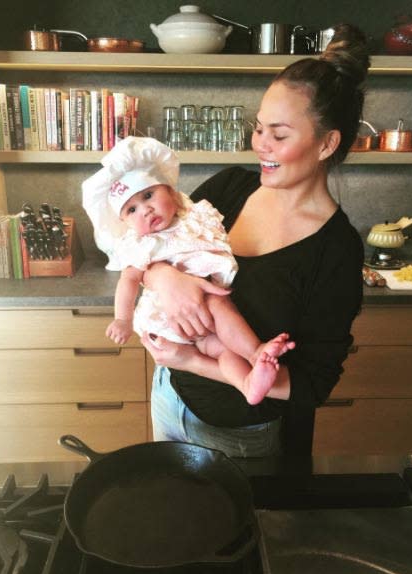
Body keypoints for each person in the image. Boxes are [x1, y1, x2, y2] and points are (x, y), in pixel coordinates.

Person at [138, 24, 369, 458]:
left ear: (327, 144)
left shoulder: (335, 250)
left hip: (240, 436)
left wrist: (194, 362)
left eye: (279, 135)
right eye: (259, 128)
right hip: (169, 396)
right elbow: (152, 241)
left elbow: (312, 384)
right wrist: (160, 275)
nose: (260, 144)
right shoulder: (228, 189)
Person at [82, 136, 294, 406]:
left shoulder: (192, 218)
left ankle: (248, 382)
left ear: (170, 192)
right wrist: (122, 319)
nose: (146, 210)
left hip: (203, 331)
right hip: (169, 321)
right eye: (132, 209)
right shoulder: (141, 242)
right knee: (218, 301)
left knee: (225, 352)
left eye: (149, 195)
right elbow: (129, 279)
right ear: (125, 222)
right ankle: (255, 351)